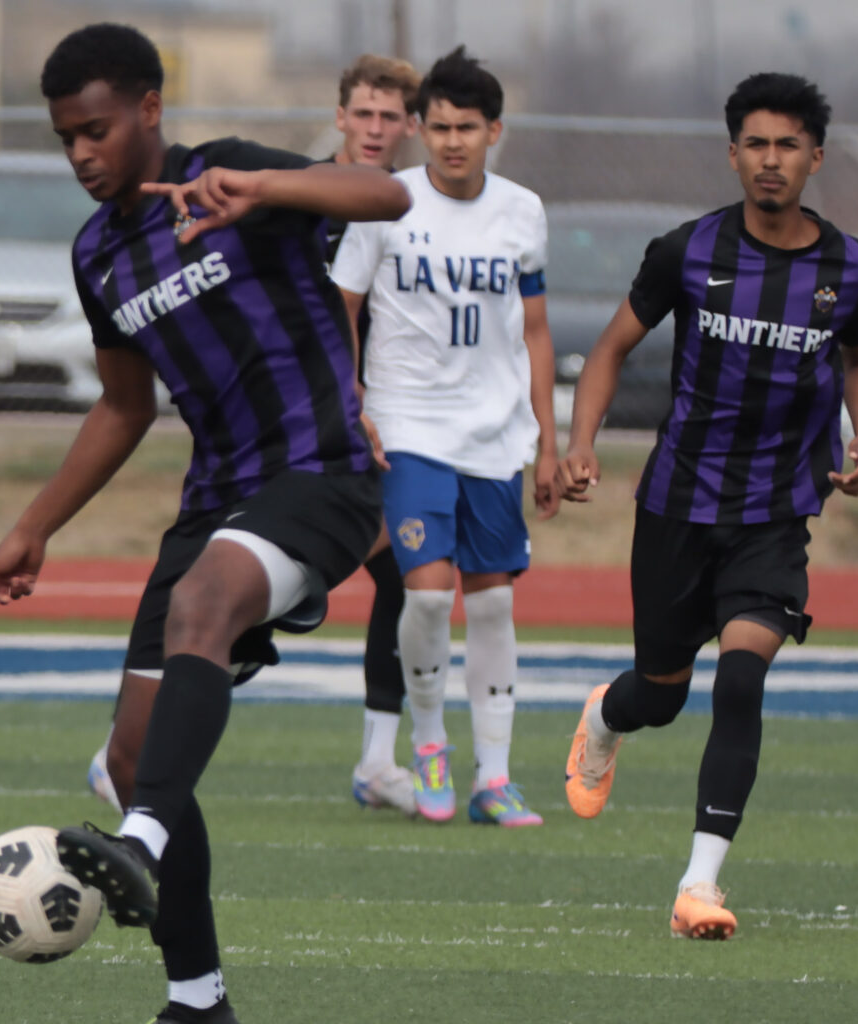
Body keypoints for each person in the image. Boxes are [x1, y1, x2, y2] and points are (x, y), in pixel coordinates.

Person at [0, 24, 408, 1024]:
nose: (82, 153)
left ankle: (139, 843)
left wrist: (268, 189)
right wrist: (35, 525)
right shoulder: (97, 254)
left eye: (96, 130)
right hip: (216, 497)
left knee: (204, 607)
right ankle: (197, 999)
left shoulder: (231, 174)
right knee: (135, 760)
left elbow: (385, 195)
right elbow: (123, 405)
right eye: (66, 138)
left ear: (149, 109)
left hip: (322, 473)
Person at [557, 73, 858, 939]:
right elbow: (610, 349)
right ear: (733, 153)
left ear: (816, 158)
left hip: (776, 510)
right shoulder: (687, 251)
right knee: (661, 696)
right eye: (756, 144)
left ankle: (698, 886)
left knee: (741, 679)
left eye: (788, 145)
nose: (771, 159)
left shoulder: (850, 266)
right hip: (678, 503)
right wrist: (580, 442)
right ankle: (607, 715)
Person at [330, 47, 559, 827]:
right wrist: (351, 397)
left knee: (491, 610)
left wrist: (549, 442)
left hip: (495, 435)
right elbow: (342, 304)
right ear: (420, 130)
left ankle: (495, 778)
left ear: (494, 130)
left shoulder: (523, 211)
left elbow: (535, 328)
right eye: (438, 127)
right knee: (427, 598)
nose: (452, 141)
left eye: (467, 127)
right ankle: (428, 746)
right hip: (409, 429)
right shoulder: (386, 201)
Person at [320, 54, 427, 819]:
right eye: (363, 112)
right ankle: (133, 743)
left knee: (405, 578)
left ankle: (378, 760)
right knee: (259, 584)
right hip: (294, 424)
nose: (375, 128)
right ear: (340, 117)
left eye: (391, 116)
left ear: (410, 126)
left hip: (380, 427)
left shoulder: (413, 206)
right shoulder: (301, 195)